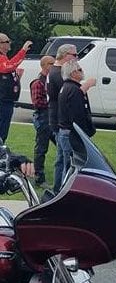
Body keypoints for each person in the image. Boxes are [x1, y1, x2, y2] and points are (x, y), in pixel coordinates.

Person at [57, 60, 96, 184]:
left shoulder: (68, 87)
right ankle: (65, 192)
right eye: (79, 69)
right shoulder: (73, 90)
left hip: (65, 131)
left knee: (67, 164)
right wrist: (83, 134)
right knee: (71, 167)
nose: (82, 71)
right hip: (71, 133)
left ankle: (62, 189)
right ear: (73, 73)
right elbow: (78, 115)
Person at [48, 44, 80, 193]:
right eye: (74, 55)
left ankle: (57, 188)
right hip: (59, 120)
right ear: (65, 55)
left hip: (57, 118)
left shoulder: (54, 71)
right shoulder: (57, 73)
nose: (76, 58)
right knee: (65, 159)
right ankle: (60, 189)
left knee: (61, 157)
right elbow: (69, 91)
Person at [0, 34, 32, 142]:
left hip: (7, 100)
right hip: (3, 101)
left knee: (4, 129)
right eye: (7, 41)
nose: (9, 43)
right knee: (2, 130)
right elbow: (8, 67)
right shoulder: (0, 58)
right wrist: (23, 51)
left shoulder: (4, 57)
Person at [30, 55, 55, 186]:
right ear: (44, 65)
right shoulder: (38, 82)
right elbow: (37, 103)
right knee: (41, 149)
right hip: (43, 118)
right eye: (52, 63)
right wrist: (52, 102)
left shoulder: (51, 80)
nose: (54, 65)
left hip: (52, 118)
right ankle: (39, 177)